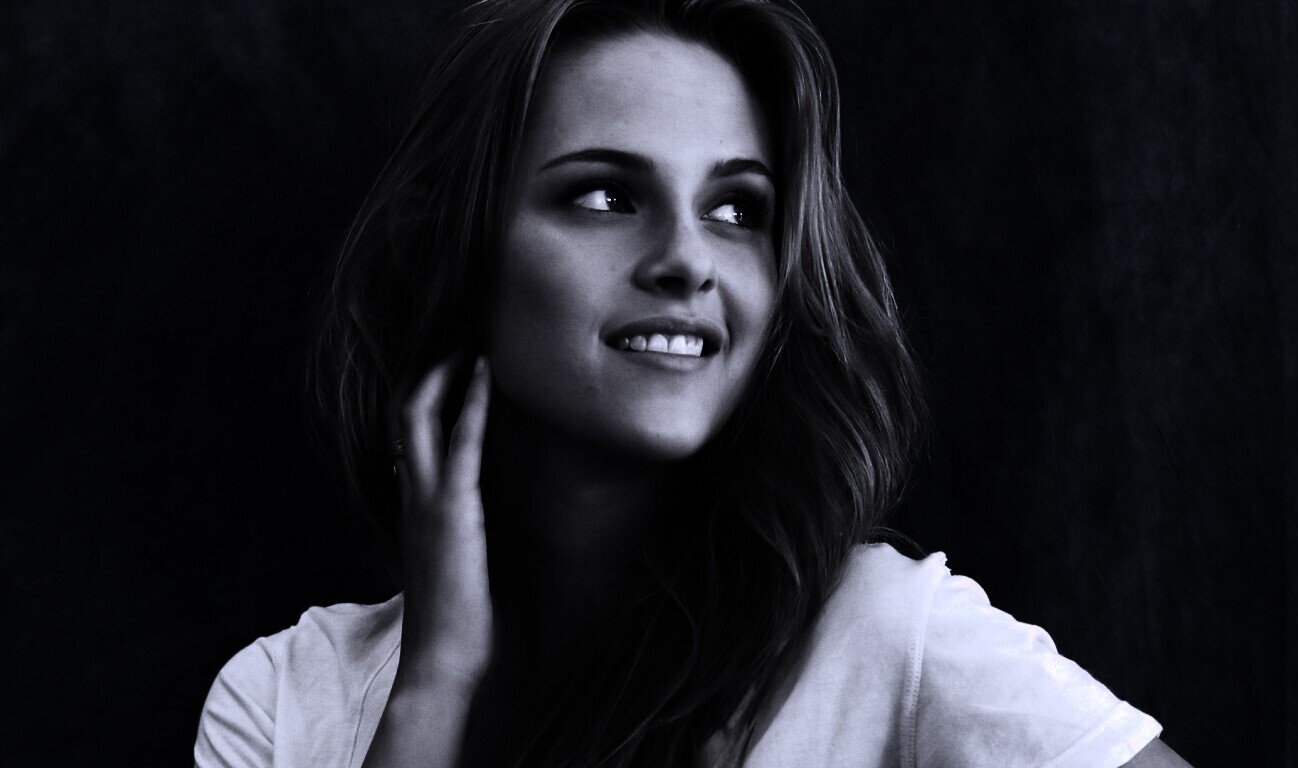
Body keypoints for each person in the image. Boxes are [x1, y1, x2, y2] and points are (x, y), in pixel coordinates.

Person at [195, 0, 1193, 765]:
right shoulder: (287, 699)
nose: (686, 260)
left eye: (737, 210)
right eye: (605, 196)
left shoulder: (883, 637)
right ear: (458, 253)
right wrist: (435, 687)